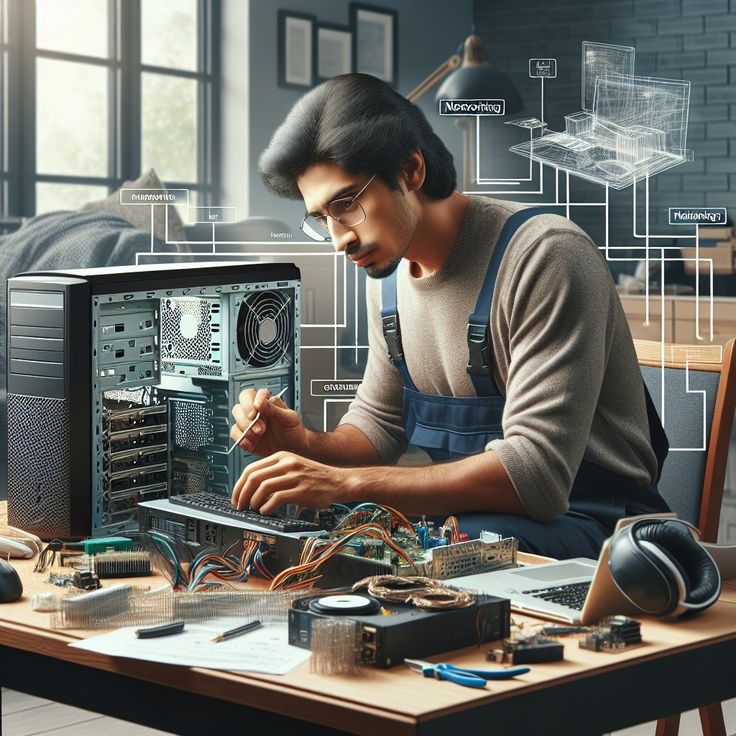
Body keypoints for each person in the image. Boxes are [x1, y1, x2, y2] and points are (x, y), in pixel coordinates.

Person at [229, 73, 670, 558]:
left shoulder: (545, 257)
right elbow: (376, 429)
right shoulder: (390, 280)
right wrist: (305, 445)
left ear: (412, 169)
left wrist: (347, 483)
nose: (339, 239)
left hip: (600, 531)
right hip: (476, 524)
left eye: (348, 204)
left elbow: (537, 475)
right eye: (322, 219)